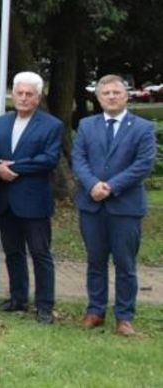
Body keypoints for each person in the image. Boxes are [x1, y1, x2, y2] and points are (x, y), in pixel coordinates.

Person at [72, 74, 157, 336]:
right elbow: (79, 158)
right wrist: (92, 185)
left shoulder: (142, 128)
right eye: (105, 93)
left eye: (116, 93)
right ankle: (95, 311)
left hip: (125, 207)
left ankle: (124, 316)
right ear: (98, 97)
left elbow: (144, 164)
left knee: (125, 264)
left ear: (126, 95)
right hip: (92, 205)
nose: (111, 97)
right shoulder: (87, 125)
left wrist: (110, 186)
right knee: (95, 261)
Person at [0, 71, 62, 325]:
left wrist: (15, 167)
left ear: (38, 97)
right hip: (5, 199)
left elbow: (49, 159)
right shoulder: (0, 123)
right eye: (18, 93)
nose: (22, 98)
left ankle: (44, 305)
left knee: (40, 254)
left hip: (34, 200)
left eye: (28, 94)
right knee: (13, 252)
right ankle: (18, 298)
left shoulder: (52, 125)